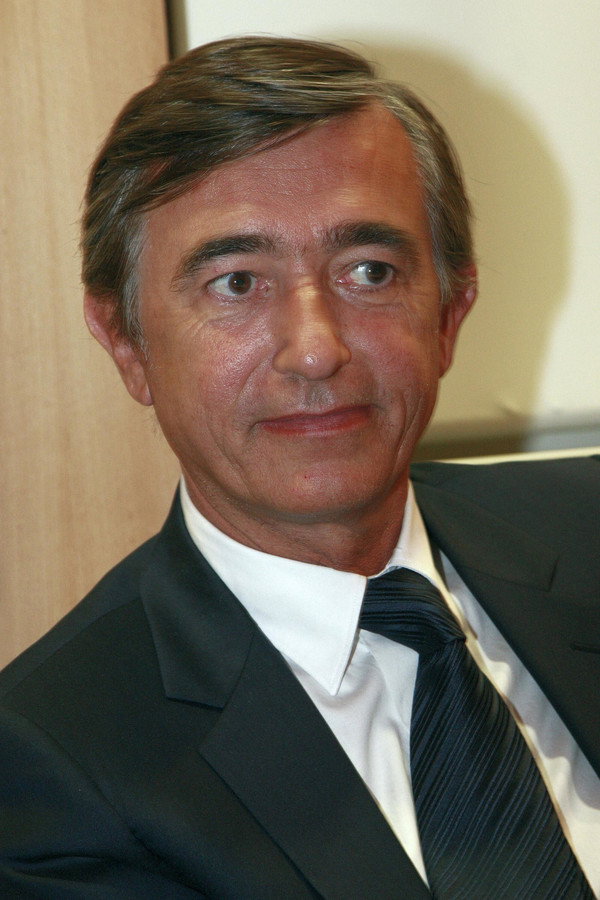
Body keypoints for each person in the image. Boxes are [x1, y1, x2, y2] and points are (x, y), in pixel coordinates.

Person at [0, 36, 598, 899]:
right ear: (127, 343)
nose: (316, 349)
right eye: (237, 283)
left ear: (450, 314)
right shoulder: (52, 770)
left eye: (369, 271)